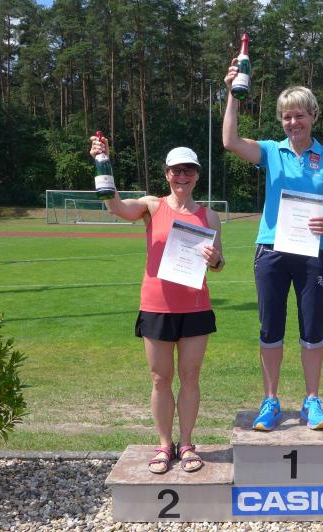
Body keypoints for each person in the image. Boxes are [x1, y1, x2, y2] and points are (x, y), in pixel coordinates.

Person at [222, 63, 323, 432]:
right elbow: (230, 141)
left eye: (300, 115)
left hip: (314, 253)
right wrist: (232, 94)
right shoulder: (270, 151)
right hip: (271, 251)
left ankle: (312, 400)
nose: (294, 122)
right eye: (287, 117)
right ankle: (271, 400)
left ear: (313, 116)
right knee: (270, 327)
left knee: (313, 328)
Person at [90, 136, 224, 473]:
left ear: (197, 175)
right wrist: (102, 162)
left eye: (189, 170)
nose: (182, 176)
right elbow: (116, 207)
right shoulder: (152, 206)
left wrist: (215, 260)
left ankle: (187, 443)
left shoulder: (209, 216)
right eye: (176, 170)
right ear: (166, 174)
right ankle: (165, 445)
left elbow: (219, 263)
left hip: (195, 307)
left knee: (190, 377)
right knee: (160, 378)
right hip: (157, 306)